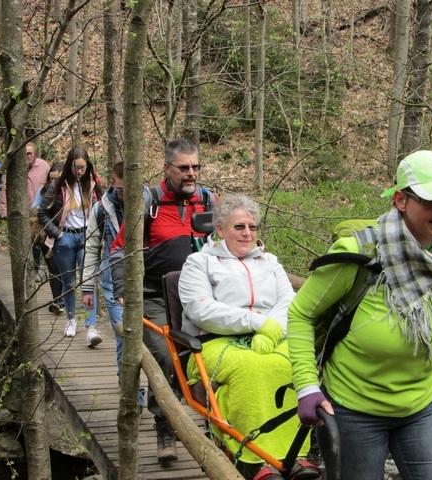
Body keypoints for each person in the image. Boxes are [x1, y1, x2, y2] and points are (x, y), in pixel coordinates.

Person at [288, 150, 432, 480]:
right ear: (401, 200)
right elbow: (301, 314)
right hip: (352, 408)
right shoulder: (359, 253)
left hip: (425, 405)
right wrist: (306, 386)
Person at [178, 194, 317, 480]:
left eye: (253, 227)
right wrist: (257, 323)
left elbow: (289, 302)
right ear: (219, 230)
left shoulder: (269, 262)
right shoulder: (199, 263)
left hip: (272, 338)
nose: (247, 233)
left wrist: (269, 331)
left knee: (295, 365)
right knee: (251, 368)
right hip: (217, 341)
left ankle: (295, 453)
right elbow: (201, 309)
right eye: (239, 226)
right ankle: (253, 457)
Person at [109, 138, 217, 464]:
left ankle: (215, 426)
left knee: (210, 357)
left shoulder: (208, 200)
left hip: (198, 295)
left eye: (195, 167)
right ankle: (165, 424)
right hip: (154, 292)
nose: (191, 174)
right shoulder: (149, 202)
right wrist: (120, 287)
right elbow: (119, 248)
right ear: (168, 168)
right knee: (162, 355)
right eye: (184, 168)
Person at [37, 147, 104, 346]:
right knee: (68, 282)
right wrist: (58, 234)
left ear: (88, 166)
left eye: (83, 167)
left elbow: (103, 209)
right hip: (64, 238)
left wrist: (99, 234)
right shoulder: (58, 186)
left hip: (87, 236)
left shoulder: (93, 185)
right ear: (69, 166)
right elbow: (42, 214)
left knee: (88, 281)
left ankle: (91, 327)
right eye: (76, 167)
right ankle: (70, 319)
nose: (79, 171)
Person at [82, 161, 126, 371]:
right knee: (124, 337)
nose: (126, 194)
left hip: (147, 282)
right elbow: (91, 249)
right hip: (112, 283)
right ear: (111, 183)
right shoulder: (101, 209)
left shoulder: (151, 202)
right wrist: (88, 287)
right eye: (120, 189)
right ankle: (131, 396)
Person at [31, 162, 65, 315]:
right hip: (47, 236)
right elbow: (35, 209)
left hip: (65, 235)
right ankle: (57, 300)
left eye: (56, 179)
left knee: (65, 269)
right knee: (53, 269)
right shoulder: (43, 191)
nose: (53, 182)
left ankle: (65, 299)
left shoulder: (68, 191)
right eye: (51, 179)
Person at [0, 142, 50, 219]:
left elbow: (52, 186)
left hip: (41, 212)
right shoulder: (14, 169)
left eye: (30, 153)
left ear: (34, 153)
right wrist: (5, 212)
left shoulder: (44, 166)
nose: (28, 156)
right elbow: (5, 190)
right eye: (25, 154)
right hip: (21, 214)